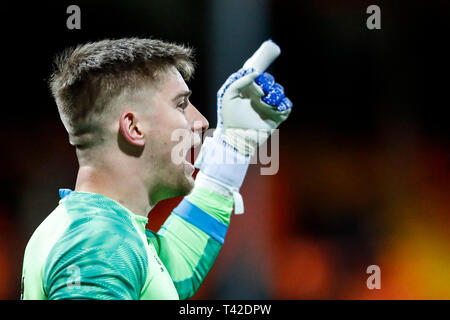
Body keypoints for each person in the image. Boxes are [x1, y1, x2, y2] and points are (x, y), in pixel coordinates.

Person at [21, 37, 292, 300]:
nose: (201, 122)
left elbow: (173, 274)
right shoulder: (98, 244)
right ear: (134, 128)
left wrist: (234, 145)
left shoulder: (104, 233)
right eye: (181, 104)